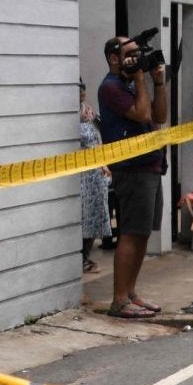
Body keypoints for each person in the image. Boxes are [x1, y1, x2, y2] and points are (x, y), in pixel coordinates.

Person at [96, 33, 169, 319]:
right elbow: (141, 114)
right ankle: (118, 300)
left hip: (150, 165)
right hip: (132, 169)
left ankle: (130, 293)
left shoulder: (128, 84)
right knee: (130, 233)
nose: (136, 59)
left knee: (142, 234)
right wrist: (140, 78)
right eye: (130, 54)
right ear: (114, 58)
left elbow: (159, 116)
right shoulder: (111, 87)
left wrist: (159, 82)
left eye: (139, 53)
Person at [76, 84, 108, 274]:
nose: (82, 91)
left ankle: (86, 256)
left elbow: (99, 137)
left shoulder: (88, 111)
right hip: (81, 175)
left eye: (83, 87)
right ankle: (80, 258)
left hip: (96, 172)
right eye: (78, 88)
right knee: (83, 215)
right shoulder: (69, 116)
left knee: (96, 214)